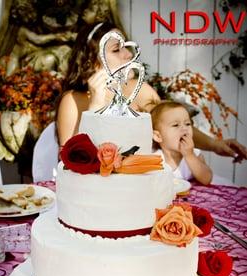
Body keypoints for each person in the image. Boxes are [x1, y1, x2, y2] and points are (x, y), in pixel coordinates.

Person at [56, 21, 247, 164]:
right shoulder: (73, 101)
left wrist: (215, 145)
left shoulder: (140, 91)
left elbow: (173, 124)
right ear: (93, 61)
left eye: (127, 47)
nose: (129, 55)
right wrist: (95, 106)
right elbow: (69, 161)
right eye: (117, 50)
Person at [151, 101, 212, 185]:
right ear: (158, 136)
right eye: (176, 125)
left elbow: (207, 179)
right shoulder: (154, 159)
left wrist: (189, 155)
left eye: (187, 124)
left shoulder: (195, 154)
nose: (184, 128)